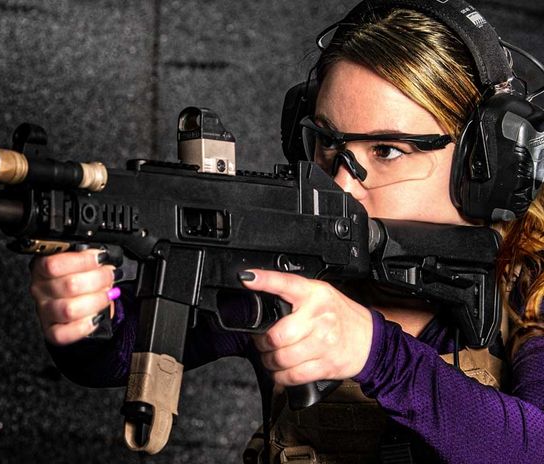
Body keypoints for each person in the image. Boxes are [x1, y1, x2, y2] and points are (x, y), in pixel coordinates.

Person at [28, 0, 544, 462]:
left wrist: (376, 353)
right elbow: (117, 357)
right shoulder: (292, 275)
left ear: (488, 168)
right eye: (326, 143)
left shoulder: (529, 291)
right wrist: (84, 320)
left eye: (386, 151)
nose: (341, 182)